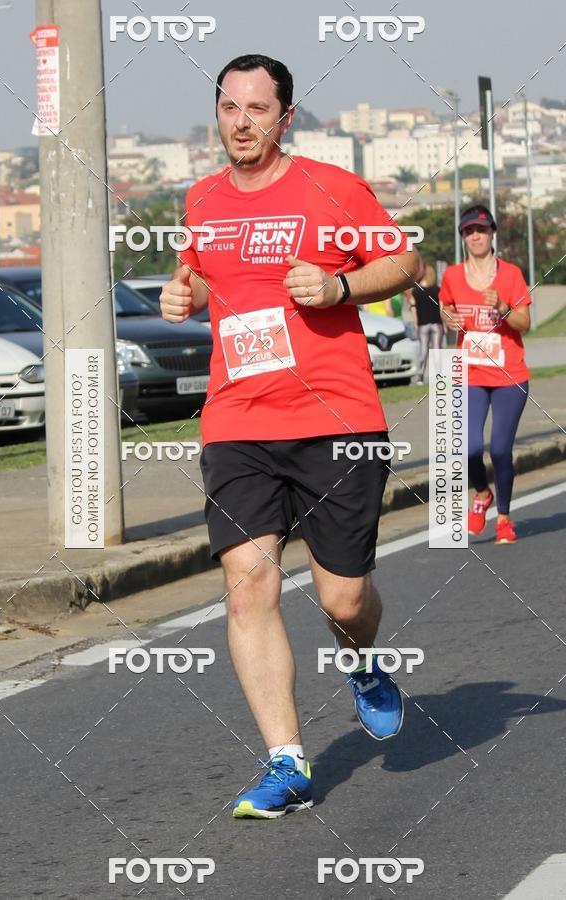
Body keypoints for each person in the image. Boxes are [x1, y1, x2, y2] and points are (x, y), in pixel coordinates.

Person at [160, 54, 421, 819]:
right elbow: (201, 278)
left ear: (285, 117)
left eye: (257, 109)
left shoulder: (330, 189)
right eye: (229, 107)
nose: (241, 122)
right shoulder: (201, 197)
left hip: (334, 419)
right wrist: (182, 294)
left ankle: (362, 664)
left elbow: (405, 261)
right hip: (237, 420)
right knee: (249, 581)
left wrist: (340, 286)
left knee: (343, 597)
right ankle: (287, 763)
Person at [439, 205, 531, 544]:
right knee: (469, 447)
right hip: (470, 373)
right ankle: (481, 492)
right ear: (463, 237)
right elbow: (445, 307)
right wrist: (447, 318)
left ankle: (503, 518)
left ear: (491, 233)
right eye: (469, 231)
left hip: (509, 375)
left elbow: (525, 324)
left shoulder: (511, 274)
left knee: (501, 450)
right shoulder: (452, 275)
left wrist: (503, 308)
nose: (475, 236)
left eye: (480, 230)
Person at [407, 262, 444, 384]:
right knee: (437, 350)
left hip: (422, 325)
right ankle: (438, 376)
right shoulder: (437, 290)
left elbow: (414, 308)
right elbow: (441, 308)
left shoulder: (416, 291)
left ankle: (420, 377)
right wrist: (444, 324)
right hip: (437, 324)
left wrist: (416, 324)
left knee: (423, 350)